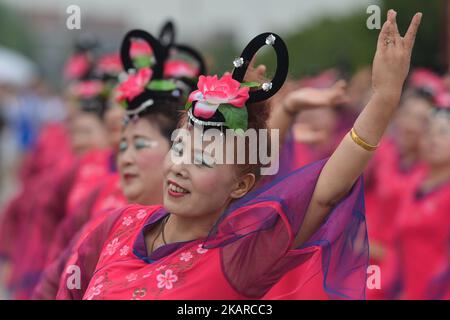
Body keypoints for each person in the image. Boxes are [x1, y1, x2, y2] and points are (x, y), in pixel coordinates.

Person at [56, 10, 421, 300]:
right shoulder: (118, 225)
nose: (180, 167)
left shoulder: (239, 258)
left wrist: (384, 98)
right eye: (180, 149)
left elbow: (325, 192)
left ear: (241, 185)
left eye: (202, 160)